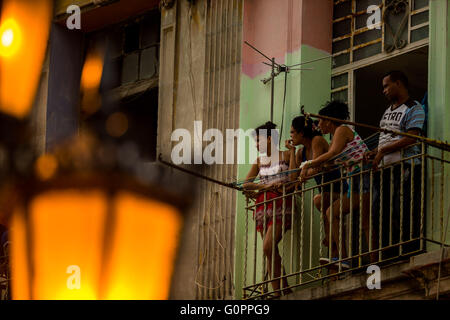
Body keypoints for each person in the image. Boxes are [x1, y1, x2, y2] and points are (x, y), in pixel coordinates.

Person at [300, 101, 375, 268]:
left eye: (320, 121)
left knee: (364, 222)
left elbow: (333, 153)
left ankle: (372, 262)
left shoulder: (341, 130)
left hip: (363, 179)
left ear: (328, 120)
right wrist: (314, 166)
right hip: (355, 181)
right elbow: (333, 160)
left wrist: (309, 164)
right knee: (334, 213)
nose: (318, 125)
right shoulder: (337, 135)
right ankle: (344, 258)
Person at [365, 70, 425, 259]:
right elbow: (386, 139)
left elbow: (412, 137)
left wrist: (382, 151)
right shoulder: (388, 111)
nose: (384, 91)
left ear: (398, 83)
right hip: (385, 170)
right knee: (379, 213)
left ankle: (406, 251)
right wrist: (374, 152)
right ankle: (387, 254)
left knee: (403, 209)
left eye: (386, 85)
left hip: (406, 167)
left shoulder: (413, 107)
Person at [242, 121, 293, 296]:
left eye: (258, 140)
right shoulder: (258, 161)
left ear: (270, 139)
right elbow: (246, 184)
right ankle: (281, 291)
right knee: (271, 250)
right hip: (263, 205)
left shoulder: (286, 155)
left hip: (280, 203)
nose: (256, 144)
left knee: (268, 247)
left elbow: (293, 179)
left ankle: (281, 291)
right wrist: (264, 188)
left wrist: (293, 152)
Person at [285, 116, 348, 256]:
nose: (290, 136)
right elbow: (293, 177)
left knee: (320, 199)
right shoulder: (301, 152)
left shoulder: (317, 141)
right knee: (322, 201)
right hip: (327, 193)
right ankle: (333, 245)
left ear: (302, 133)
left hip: (341, 190)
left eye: (292, 132)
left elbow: (316, 167)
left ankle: (333, 242)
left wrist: (304, 173)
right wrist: (291, 152)